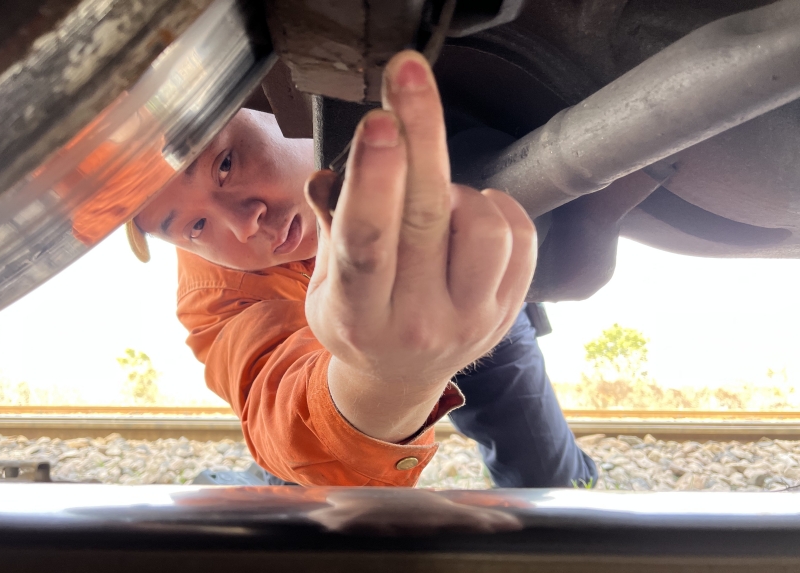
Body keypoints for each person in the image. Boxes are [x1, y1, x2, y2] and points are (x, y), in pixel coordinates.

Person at [131, 50, 597, 487]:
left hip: (466, 291)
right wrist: (386, 378)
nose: (243, 223)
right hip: (334, 373)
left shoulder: (362, 100)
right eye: (195, 227)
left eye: (225, 165)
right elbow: (282, 413)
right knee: (307, 498)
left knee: (554, 480)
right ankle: (248, 486)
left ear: (272, 99)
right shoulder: (214, 292)